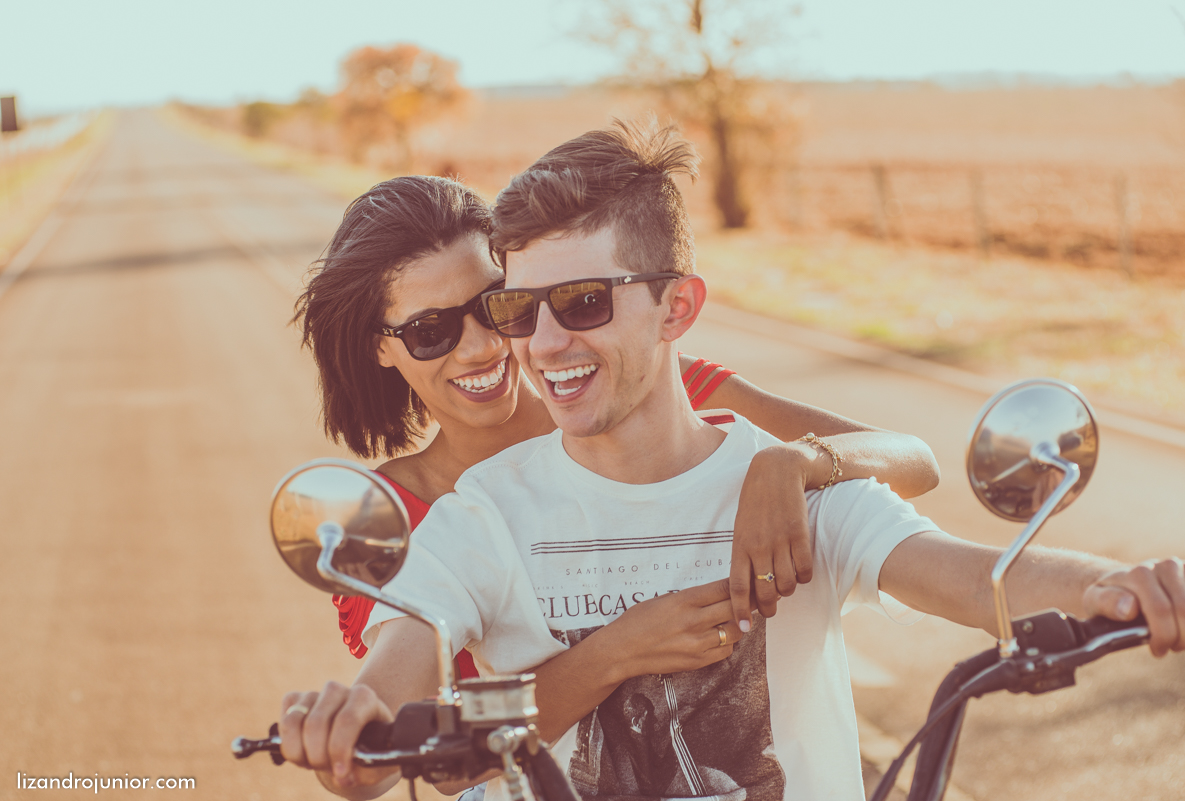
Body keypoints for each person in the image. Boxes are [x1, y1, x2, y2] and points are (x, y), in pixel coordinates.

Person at [278, 120, 1185, 801]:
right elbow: (396, 696)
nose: (527, 342)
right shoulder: (469, 515)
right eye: (526, 309)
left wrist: (1124, 586)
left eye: (584, 301)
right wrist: (346, 719)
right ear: (387, 350)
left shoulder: (775, 471)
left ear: (677, 310)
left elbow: (975, 574)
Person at [293, 172, 941, 671]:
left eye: (493, 305)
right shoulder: (386, 525)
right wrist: (618, 652)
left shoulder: (647, 389)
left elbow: (914, 461)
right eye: (430, 330)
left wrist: (792, 461)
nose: (481, 347)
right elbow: (450, 751)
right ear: (380, 344)